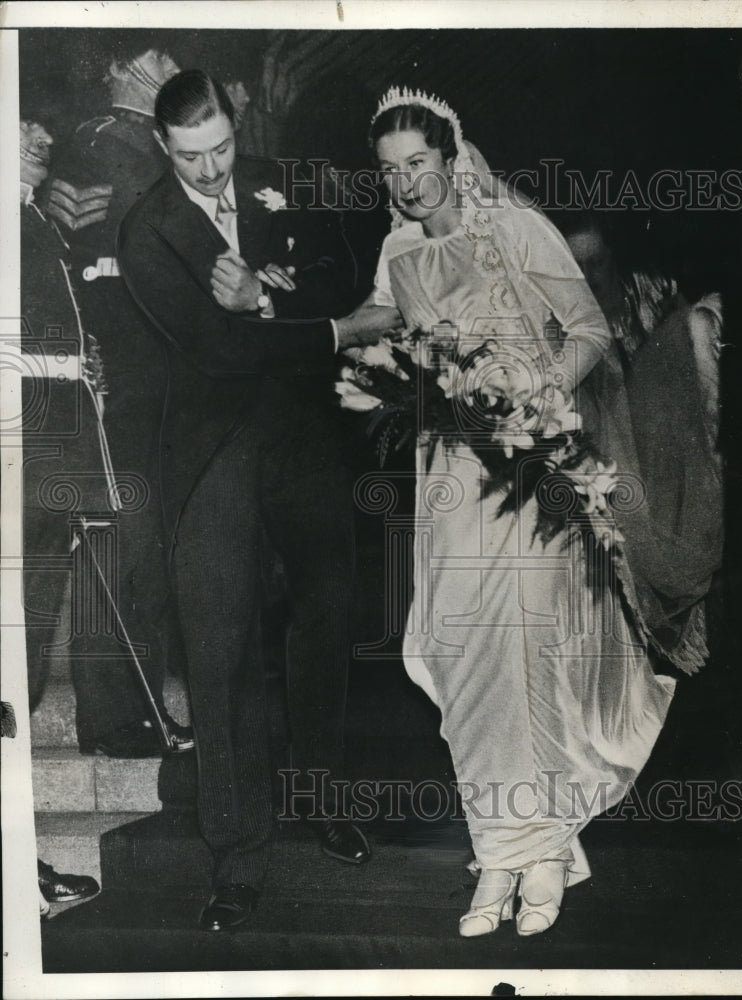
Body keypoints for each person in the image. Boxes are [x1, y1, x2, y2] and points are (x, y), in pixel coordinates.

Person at [339, 89, 722, 938]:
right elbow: (390, 341)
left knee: (528, 652)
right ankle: (499, 849)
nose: (406, 183)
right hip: (447, 475)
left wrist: (535, 392)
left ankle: (537, 852)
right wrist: (377, 371)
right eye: (390, 171)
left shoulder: (511, 226)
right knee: (460, 653)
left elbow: (586, 329)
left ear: (450, 158)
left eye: (418, 163)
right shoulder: (396, 249)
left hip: (531, 467)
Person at [117, 70, 394, 932]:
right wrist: (334, 332)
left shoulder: (281, 180)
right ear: (162, 147)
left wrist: (266, 296)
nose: (211, 171)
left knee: (326, 615)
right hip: (212, 450)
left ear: (237, 127)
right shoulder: (145, 232)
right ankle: (237, 853)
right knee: (220, 644)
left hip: (304, 435)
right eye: (190, 157)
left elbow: (345, 270)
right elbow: (220, 351)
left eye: (222, 148)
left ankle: (321, 798)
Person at [46, 35, 192, 758]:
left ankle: (139, 708)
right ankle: (115, 714)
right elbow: (99, 265)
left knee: (146, 543)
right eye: (163, 60)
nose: (175, 71)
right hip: (126, 370)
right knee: (120, 542)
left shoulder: (143, 143)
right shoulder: (107, 142)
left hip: (156, 369)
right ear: (123, 68)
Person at [17, 119, 103, 917]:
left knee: (24, 672)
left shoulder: (35, 222)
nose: (39, 131)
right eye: (19, 123)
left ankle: (21, 865)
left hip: (43, 479)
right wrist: (68, 368)